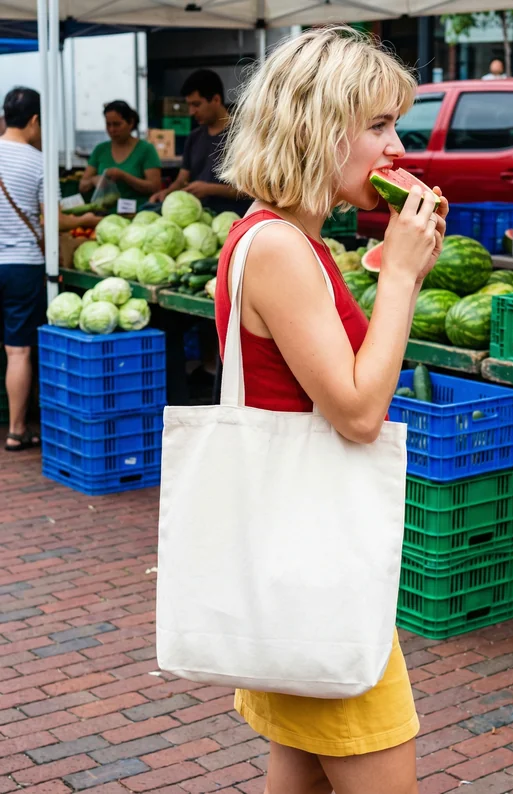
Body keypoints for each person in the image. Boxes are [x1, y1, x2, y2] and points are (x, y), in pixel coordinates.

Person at [214, 27, 447, 794]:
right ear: (318, 126)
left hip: (296, 569)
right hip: (322, 578)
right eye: (379, 125)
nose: (396, 146)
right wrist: (404, 278)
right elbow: (356, 412)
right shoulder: (281, 246)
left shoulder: (281, 237)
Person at [0, 87, 98, 451]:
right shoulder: (37, 162)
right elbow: (53, 221)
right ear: (35, 120)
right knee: (18, 351)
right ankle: (16, 429)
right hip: (22, 265)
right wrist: (88, 217)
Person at [150, 69, 250, 217]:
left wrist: (210, 189)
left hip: (235, 219)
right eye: (189, 105)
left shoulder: (243, 136)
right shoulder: (194, 137)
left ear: (216, 100)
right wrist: (166, 192)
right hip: (200, 217)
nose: (191, 112)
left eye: (196, 104)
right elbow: (182, 179)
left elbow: (251, 190)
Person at [80, 100, 162, 209]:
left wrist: (124, 177)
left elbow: (155, 187)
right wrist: (94, 180)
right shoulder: (100, 150)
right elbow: (82, 186)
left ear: (130, 122)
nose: (112, 129)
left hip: (137, 212)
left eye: (117, 124)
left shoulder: (146, 149)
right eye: (108, 124)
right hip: (103, 213)